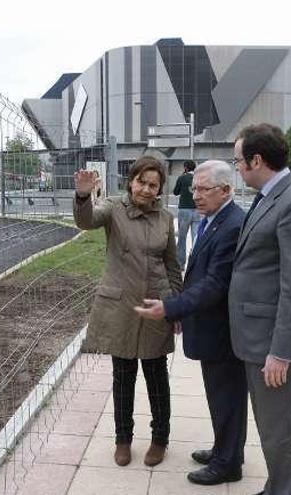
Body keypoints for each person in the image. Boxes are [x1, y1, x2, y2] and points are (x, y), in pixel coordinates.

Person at [134, 160, 247, 486]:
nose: (195, 195)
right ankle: (225, 450)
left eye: (203, 189)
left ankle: (228, 463)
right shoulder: (215, 219)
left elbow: (214, 284)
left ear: (226, 190)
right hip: (211, 325)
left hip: (222, 330)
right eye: (194, 188)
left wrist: (170, 307)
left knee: (228, 396)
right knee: (220, 394)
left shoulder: (231, 226)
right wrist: (181, 310)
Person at [228, 123, 291, 495]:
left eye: (238, 161)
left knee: (281, 429)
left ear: (257, 159)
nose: (236, 168)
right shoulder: (269, 195)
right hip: (256, 337)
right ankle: (276, 488)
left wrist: (281, 352)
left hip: (273, 345)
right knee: (271, 427)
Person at [72, 156, 182, 468]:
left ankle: (160, 439)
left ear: (160, 189)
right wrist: (82, 196)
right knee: (123, 377)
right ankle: (123, 439)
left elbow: (173, 265)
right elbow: (87, 220)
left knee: (156, 377)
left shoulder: (165, 219)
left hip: (154, 306)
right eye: (142, 182)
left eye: (153, 185)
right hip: (120, 307)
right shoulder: (112, 208)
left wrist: (175, 307)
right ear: (131, 181)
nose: (146, 189)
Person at [173, 160, 201, 267]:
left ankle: (181, 263)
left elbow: (176, 192)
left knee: (182, 237)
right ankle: (196, 264)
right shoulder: (199, 178)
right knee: (196, 238)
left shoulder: (182, 178)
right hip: (198, 210)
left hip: (184, 210)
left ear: (185, 167)